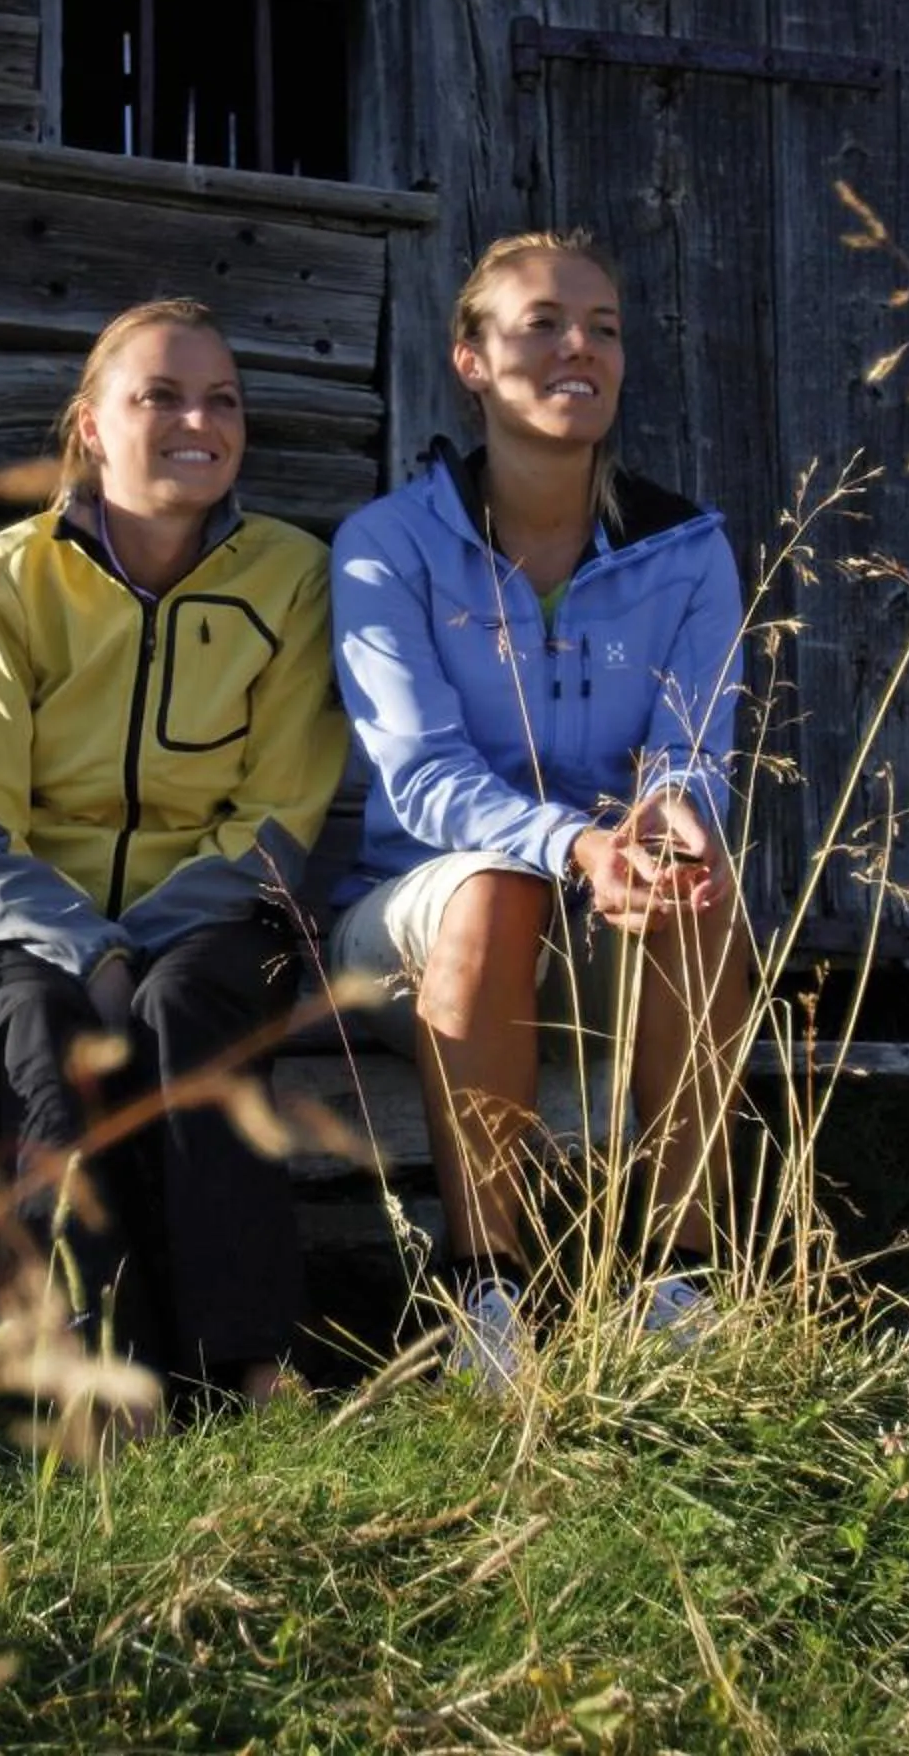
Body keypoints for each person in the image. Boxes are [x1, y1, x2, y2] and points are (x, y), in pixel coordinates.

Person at [329, 230, 754, 1390]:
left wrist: (669, 823)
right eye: (542, 324)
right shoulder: (391, 546)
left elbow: (693, 748)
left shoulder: (689, 550)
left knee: (709, 893)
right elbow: (420, 778)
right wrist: (571, 840)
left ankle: (679, 1277)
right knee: (492, 886)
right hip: (418, 925)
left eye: (603, 327)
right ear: (472, 360)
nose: (581, 347)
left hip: (611, 913)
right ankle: (485, 1291)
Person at [0, 298, 345, 1411]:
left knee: (183, 1012)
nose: (197, 419)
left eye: (222, 399)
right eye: (160, 394)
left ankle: (247, 1365)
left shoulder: (290, 577)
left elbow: (282, 809)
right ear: (93, 426)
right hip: (35, 926)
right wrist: (86, 949)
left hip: (221, 915)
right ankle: (96, 1379)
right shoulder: (10, 579)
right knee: (45, 1039)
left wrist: (139, 954)